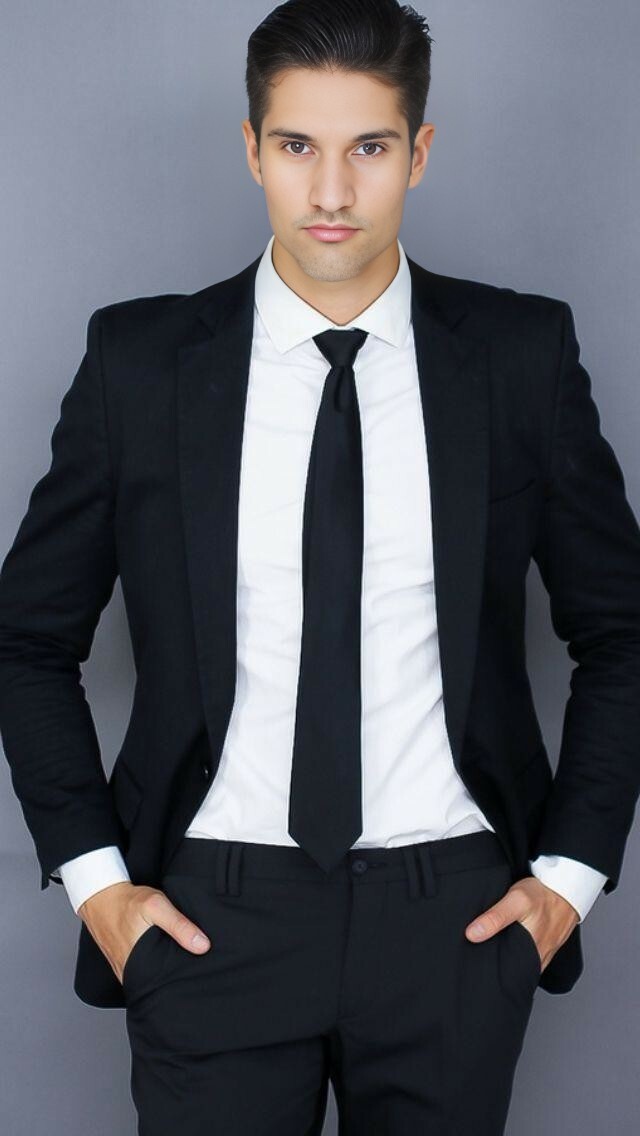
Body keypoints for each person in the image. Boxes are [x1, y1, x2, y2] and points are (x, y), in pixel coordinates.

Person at [1, 1, 639, 1132]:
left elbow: (623, 632)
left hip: (455, 917)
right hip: (211, 912)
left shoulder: (518, 357)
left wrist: (567, 882)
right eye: (298, 145)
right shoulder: (140, 365)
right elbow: (26, 638)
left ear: (419, 152)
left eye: (369, 147)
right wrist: (99, 884)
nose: (332, 191)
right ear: (251, 149)